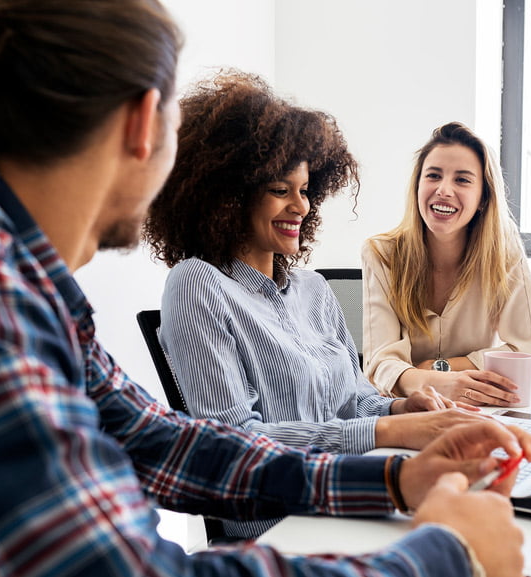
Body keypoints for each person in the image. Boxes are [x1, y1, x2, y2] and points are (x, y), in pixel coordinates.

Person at [0, 2, 531, 576]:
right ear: (146, 122)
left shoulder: (8, 274)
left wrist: (391, 478)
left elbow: (159, 441)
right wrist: (444, 552)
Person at [143, 71, 502, 538]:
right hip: (279, 526)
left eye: (306, 190)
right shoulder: (198, 285)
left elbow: (352, 398)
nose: (301, 206)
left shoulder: (313, 290)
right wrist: (387, 434)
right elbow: (234, 446)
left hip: (345, 496)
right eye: (280, 190)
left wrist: (398, 410)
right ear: (228, 195)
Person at [362, 121, 531, 406]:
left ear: (482, 198)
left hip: (477, 408)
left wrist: (437, 368)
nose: (443, 190)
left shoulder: (504, 251)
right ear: (417, 186)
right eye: (433, 176)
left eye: (462, 180)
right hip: (409, 409)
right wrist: (443, 383)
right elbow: (380, 365)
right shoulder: (382, 253)